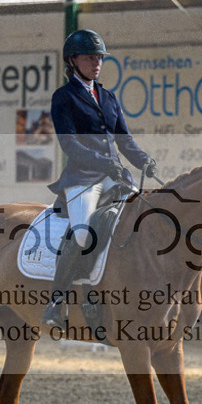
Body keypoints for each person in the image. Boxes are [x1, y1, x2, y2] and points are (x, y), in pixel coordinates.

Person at [41, 29, 157, 329]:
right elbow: (70, 145)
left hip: (114, 176)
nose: (97, 63)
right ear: (73, 61)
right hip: (83, 178)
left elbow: (125, 140)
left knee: (138, 219)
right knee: (82, 235)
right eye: (90, 58)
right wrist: (106, 163)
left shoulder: (108, 97)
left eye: (100, 58)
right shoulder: (63, 98)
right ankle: (56, 302)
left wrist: (143, 160)